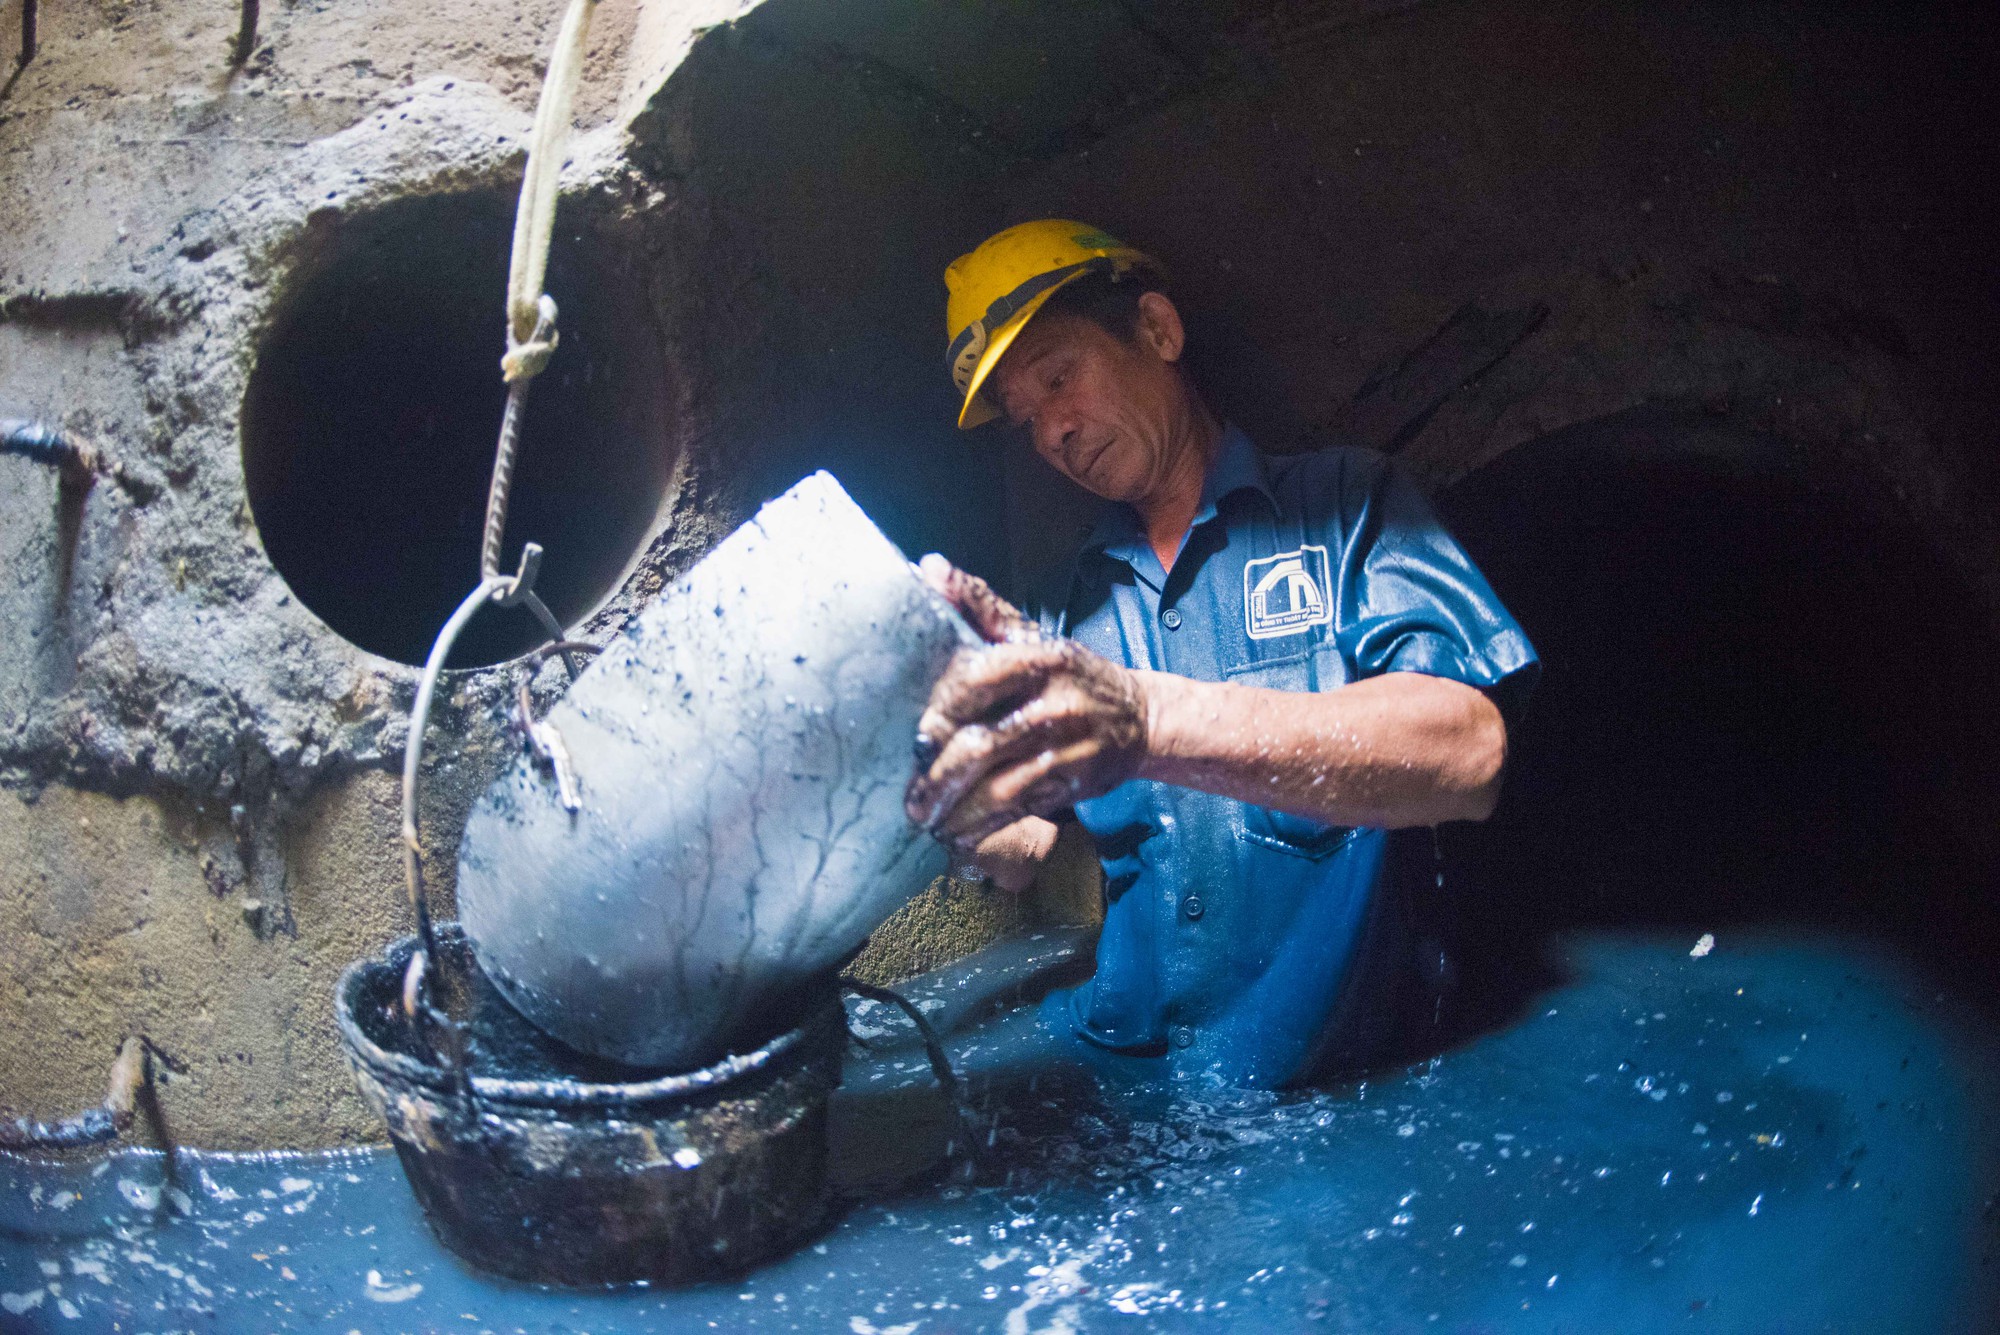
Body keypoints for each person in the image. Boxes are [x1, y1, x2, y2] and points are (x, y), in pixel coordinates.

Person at [906, 220, 1539, 1087]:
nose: (1053, 431)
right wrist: (970, 817)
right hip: (1126, 1071)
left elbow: (1469, 751)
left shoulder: (1347, 503)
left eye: (1060, 376)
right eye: (1026, 419)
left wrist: (1144, 720)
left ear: (1159, 330)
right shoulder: (1061, 605)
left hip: (1339, 1085)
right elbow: (1023, 850)